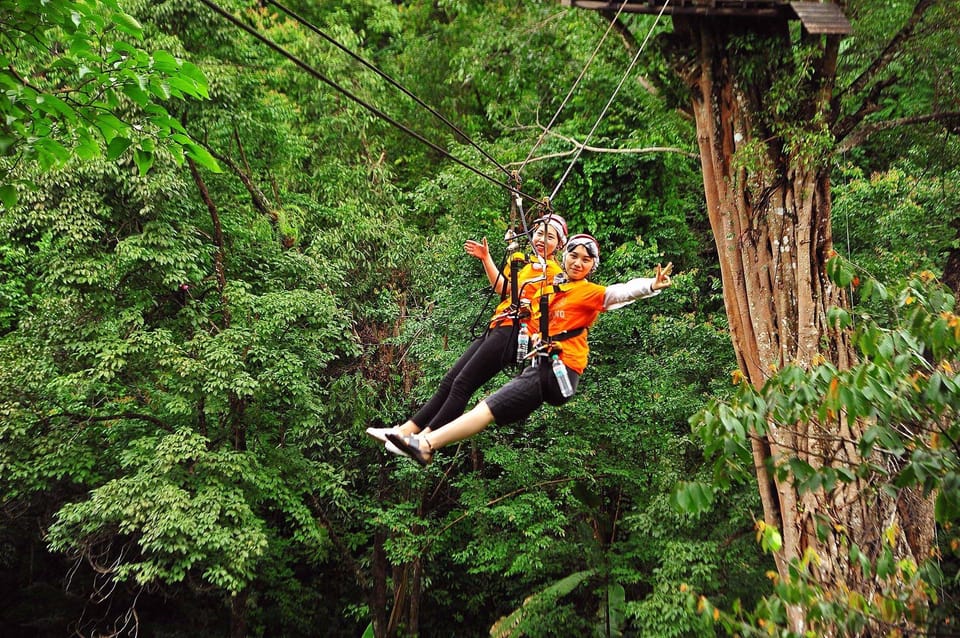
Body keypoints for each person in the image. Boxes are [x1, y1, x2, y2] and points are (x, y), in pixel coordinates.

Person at [386, 233, 673, 466]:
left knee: (485, 407)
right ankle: (424, 443)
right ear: (564, 257)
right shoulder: (548, 293)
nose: (577, 263)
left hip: (560, 372)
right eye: (573, 256)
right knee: (486, 408)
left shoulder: (589, 293)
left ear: (592, 266)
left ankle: (424, 443)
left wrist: (651, 285)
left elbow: (621, 292)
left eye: (585, 260)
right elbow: (521, 307)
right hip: (539, 369)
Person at [365, 215, 568, 449]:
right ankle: (404, 431)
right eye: (539, 233)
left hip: (514, 331)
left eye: (549, 236)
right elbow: (504, 290)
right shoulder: (530, 267)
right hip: (499, 325)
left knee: (463, 384)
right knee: (450, 381)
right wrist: (486, 258)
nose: (541, 239)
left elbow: (550, 306)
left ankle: (424, 440)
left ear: (560, 244)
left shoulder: (552, 272)